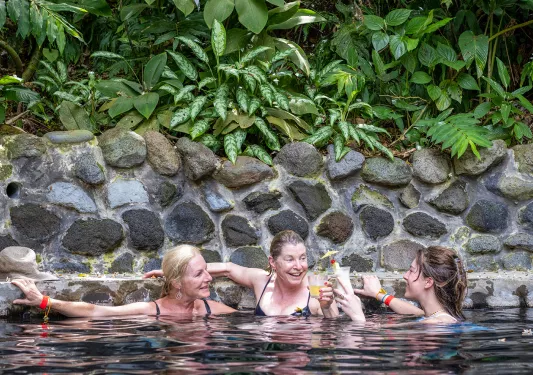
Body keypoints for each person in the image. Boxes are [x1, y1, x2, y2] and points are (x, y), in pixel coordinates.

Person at [145, 230, 339, 317]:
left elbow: (333, 332)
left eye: (303, 258)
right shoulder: (261, 281)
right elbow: (228, 269)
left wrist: (327, 306)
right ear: (273, 262)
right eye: (290, 259)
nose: (299, 266)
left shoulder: (315, 292)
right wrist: (173, 272)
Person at [12, 245, 236, 317]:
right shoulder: (152, 311)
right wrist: (43, 301)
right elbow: (95, 312)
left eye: (207, 271)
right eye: (199, 274)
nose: (209, 278)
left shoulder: (210, 309)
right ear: (177, 282)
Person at [338, 246, 467, 324]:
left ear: (428, 282)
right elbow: (415, 312)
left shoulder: (436, 324)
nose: (405, 276)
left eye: (411, 271)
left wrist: (357, 316)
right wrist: (379, 294)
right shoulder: (434, 316)